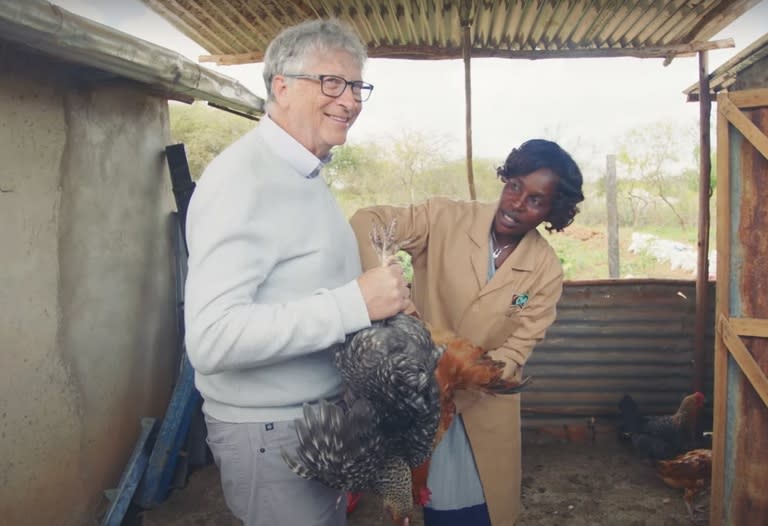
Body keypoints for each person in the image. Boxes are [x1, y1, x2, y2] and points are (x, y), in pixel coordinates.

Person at [183, 19, 410, 526]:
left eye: (356, 87)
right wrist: (355, 303)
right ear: (280, 86)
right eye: (332, 82)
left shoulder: (304, 174)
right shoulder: (244, 178)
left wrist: (379, 309)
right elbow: (211, 339)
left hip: (315, 422)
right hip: (270, 432)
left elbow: (302, 288)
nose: (349, 101)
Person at [350, 139, 585, 526]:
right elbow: (366, 221)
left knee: (484, 509)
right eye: (514, 187)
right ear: (506, 180)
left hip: (486, 407)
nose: (516, 204)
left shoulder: (544, 269)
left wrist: (469, 370)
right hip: (423, 403)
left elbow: (518, 348)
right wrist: (394, 297)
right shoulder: (443, 217)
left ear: (552, 210)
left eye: (536, 200)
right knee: (432, 503)